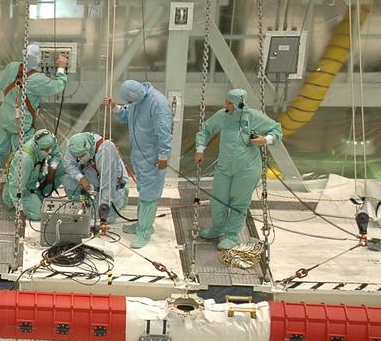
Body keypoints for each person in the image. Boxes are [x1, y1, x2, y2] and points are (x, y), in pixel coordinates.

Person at [194, 87, 283, 251]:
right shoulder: (222, 116)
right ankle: (218, 228)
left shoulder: (253, 117)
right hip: (224, 167)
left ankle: (231, 235)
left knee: (239, 203)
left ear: (239, 104)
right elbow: (206, 130)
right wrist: (200, 149)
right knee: (218, 200)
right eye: (226, 101)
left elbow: (276, 129)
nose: (226, 105)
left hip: (247, 169)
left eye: (229, 103)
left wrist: (266, 139)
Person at [0, 44, 69, 193]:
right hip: (21, 122)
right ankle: (21, 186)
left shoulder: (12, 67)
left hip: (5, 115)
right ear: (38, 59)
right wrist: (61, 68)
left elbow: (2, 85)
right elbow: (57, 87)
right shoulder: (38, 79)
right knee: (25, 153)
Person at [104, 79, 174, 248]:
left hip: (153, 158)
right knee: (143, 192)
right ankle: (142, 223)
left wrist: (163, 157)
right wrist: (115, 107)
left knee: (149, 195)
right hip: (140, 156)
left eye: (130, 100)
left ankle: (145, 230)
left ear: (135, 95)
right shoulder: (138, 100)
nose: (129, 103)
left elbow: (164, 133)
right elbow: (127, 115)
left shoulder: (157, 103)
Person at [60, 131, 128, 229]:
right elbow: (68, 165)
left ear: (89, 147)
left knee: (101, 217)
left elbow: (108, 185)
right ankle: (81, 203)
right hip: (93, 176)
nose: (79, 158)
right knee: (67, 179)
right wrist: (81, 179)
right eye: (77, 156)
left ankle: (122, 196)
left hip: (113, 184)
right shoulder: (73, 144)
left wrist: (103, 212)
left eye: (82, 155)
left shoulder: (106, 150)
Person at [4, 129, 59, 222]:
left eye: (49, 148)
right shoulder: (26, 159)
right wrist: (20, 210)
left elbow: (56, 153)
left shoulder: (47, 139)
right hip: (22, 189)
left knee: (61, 170)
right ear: (37, 146)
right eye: (46, 150)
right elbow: (16, 186)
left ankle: (39, 195)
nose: (49, 151)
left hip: (33, 181)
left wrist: (53, 167)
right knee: (38, 214)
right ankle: (14, 201)